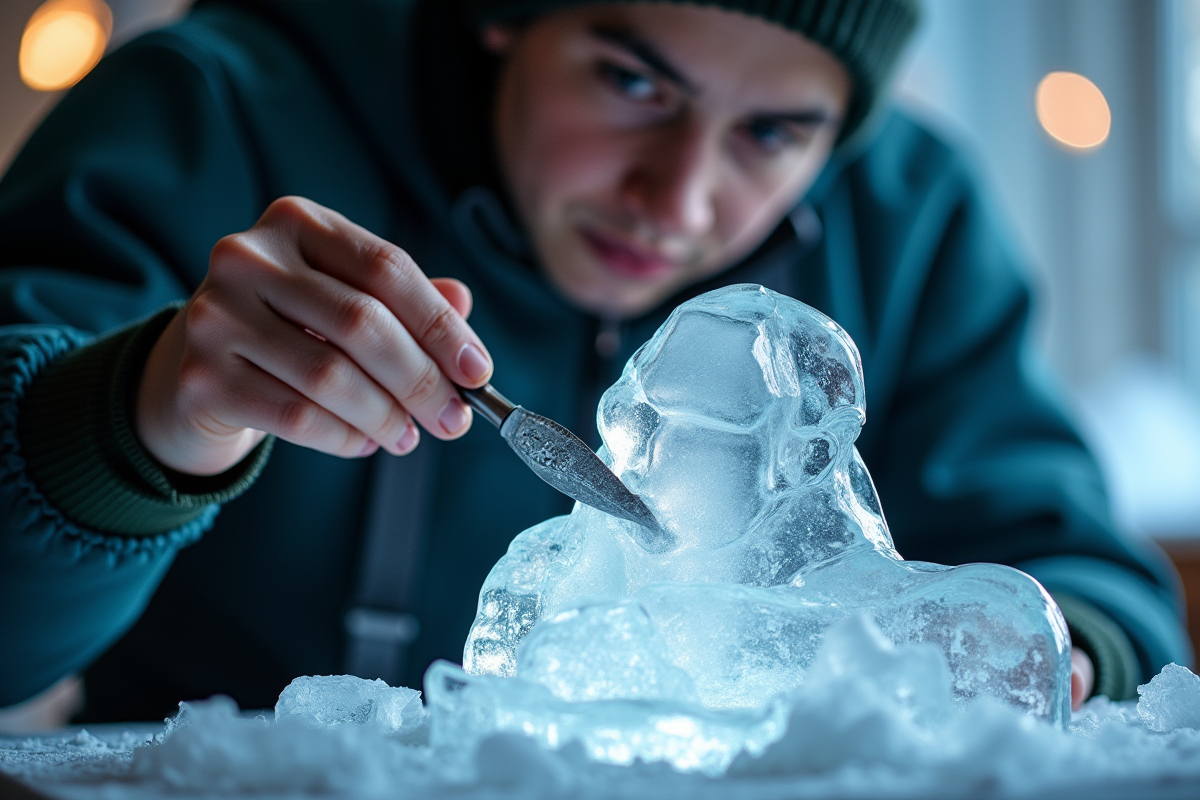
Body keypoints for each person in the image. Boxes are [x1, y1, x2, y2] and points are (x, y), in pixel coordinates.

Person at [0, 0, 1188, 724]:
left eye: (773, 133)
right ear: (504, 16)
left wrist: (1034, 655)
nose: (678, 199)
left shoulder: (909, 219)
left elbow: (1102, 595)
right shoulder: (210, 112)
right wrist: (137, 422)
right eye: (633, 82)